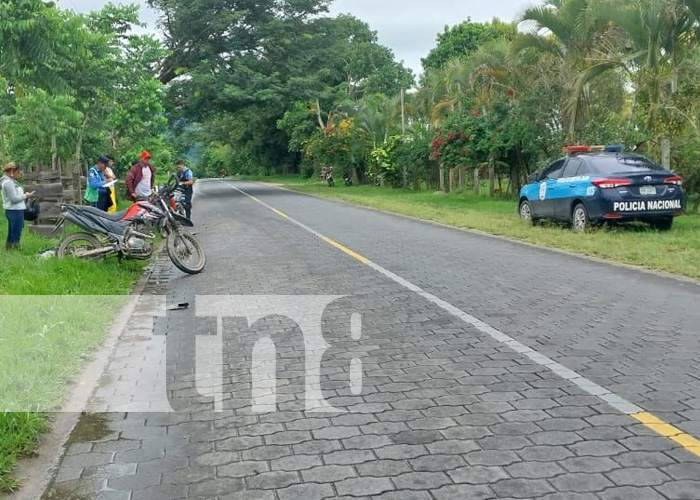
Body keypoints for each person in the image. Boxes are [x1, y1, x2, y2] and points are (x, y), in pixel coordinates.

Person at [1, 162, 34, 250]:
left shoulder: (11, 182)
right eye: (18, 172)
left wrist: (24, 195)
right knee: (16, 232)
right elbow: (14, 199)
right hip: (14, 210)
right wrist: (25, 196)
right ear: (12, 171)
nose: (19, 174)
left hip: (14, 210)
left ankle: (9, 249)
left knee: (12, 232)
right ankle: (15, 250)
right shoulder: (8, 183)